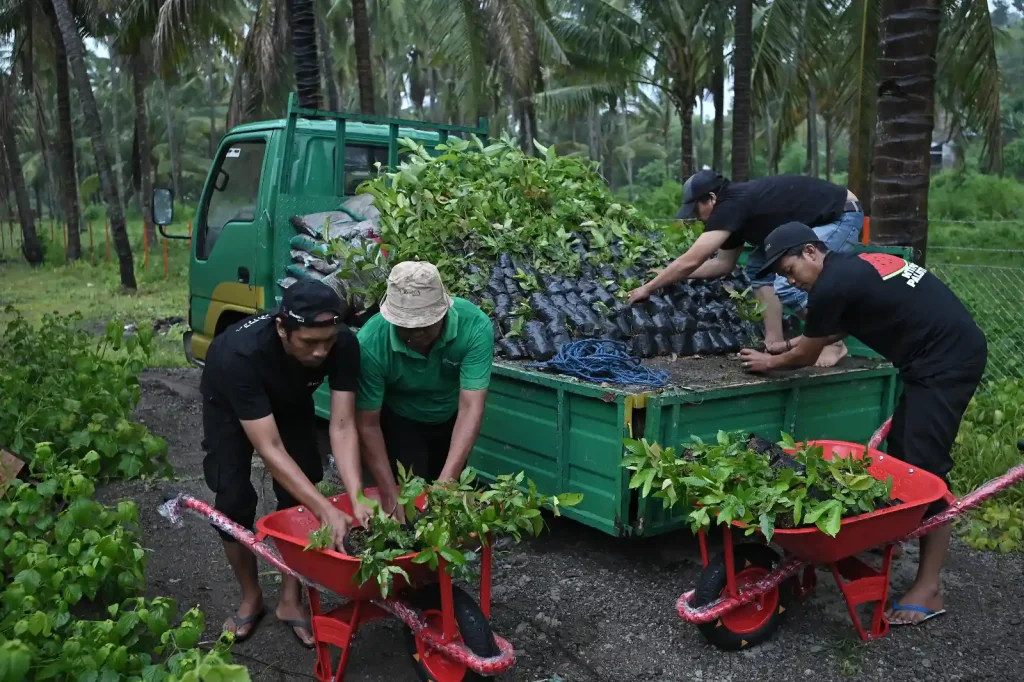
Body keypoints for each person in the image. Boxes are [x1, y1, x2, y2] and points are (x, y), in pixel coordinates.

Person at [738, 221, 988, 626]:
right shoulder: (852, 267)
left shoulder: (832, 285)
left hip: (946, 363)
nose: (790, 281)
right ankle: (899, 533)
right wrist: (787, 345)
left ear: (810, 252)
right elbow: (838, 325)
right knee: (904, 452)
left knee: (925, 469)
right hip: (943, 353)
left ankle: (929, 587)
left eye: (788, 270)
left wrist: (771, 362)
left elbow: (805, 356)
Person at [199, 279, 361, 648]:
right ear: (282, 329)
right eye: (309, 342)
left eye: (328, 340)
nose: (321, 352)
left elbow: (342, 424)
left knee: (300, 493)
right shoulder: (238, 355)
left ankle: (291, 602)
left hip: (290, 399)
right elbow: (269, 449)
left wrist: (353, 497)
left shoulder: (344, 344)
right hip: (229, 401)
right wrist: (325, 508)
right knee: (232, 497)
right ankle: (251, 596)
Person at [627, 170, 865, 367]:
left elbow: (692, 259)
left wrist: (648, 288)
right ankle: (774, 341)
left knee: (787, 284)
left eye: (696, 210)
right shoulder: (734, 212)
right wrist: (668, 274)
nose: (697, 218)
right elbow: (722, 264)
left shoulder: (731, 204)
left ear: (711, 198)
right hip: (808, 223)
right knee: (756, 269)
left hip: (839, 215)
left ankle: (831, 340)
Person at [339, 261, 494, 522]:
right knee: (409, 503)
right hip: (400, 420)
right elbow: (368, 424)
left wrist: (446, 482)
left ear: (443, 312)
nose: (416, 332)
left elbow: (470, 408)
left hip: (450, 417)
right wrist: (388, 492)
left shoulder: (474, 326)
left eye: (425, 324)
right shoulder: (371, 342)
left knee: (448, 503)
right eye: (407, 326)